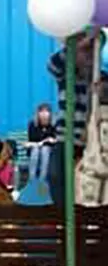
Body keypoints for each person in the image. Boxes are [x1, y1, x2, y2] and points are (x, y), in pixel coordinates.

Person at [48, 33, 96, 208]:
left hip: (92, 140)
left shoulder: (98, 78)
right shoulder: (67, 77)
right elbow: (53, 65)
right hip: (66, 136)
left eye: (90, 54)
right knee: (55, 175)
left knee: (87, 181)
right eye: (84, 54)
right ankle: (63, 214)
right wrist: (77, 46)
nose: (87, 59)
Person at [27, 102, 57, 185]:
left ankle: (41, 181)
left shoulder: (53, 125)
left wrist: (52, 140)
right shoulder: (33, 124)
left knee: (45, 150)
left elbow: (55, 140)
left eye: (46, 111)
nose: (44, 114)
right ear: (38, 113)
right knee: (36, 151)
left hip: (49, 152)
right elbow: (31, 140)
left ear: (50, 114)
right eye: (42, 112)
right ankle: (32, 181)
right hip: (34, 150)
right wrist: (40, 143)